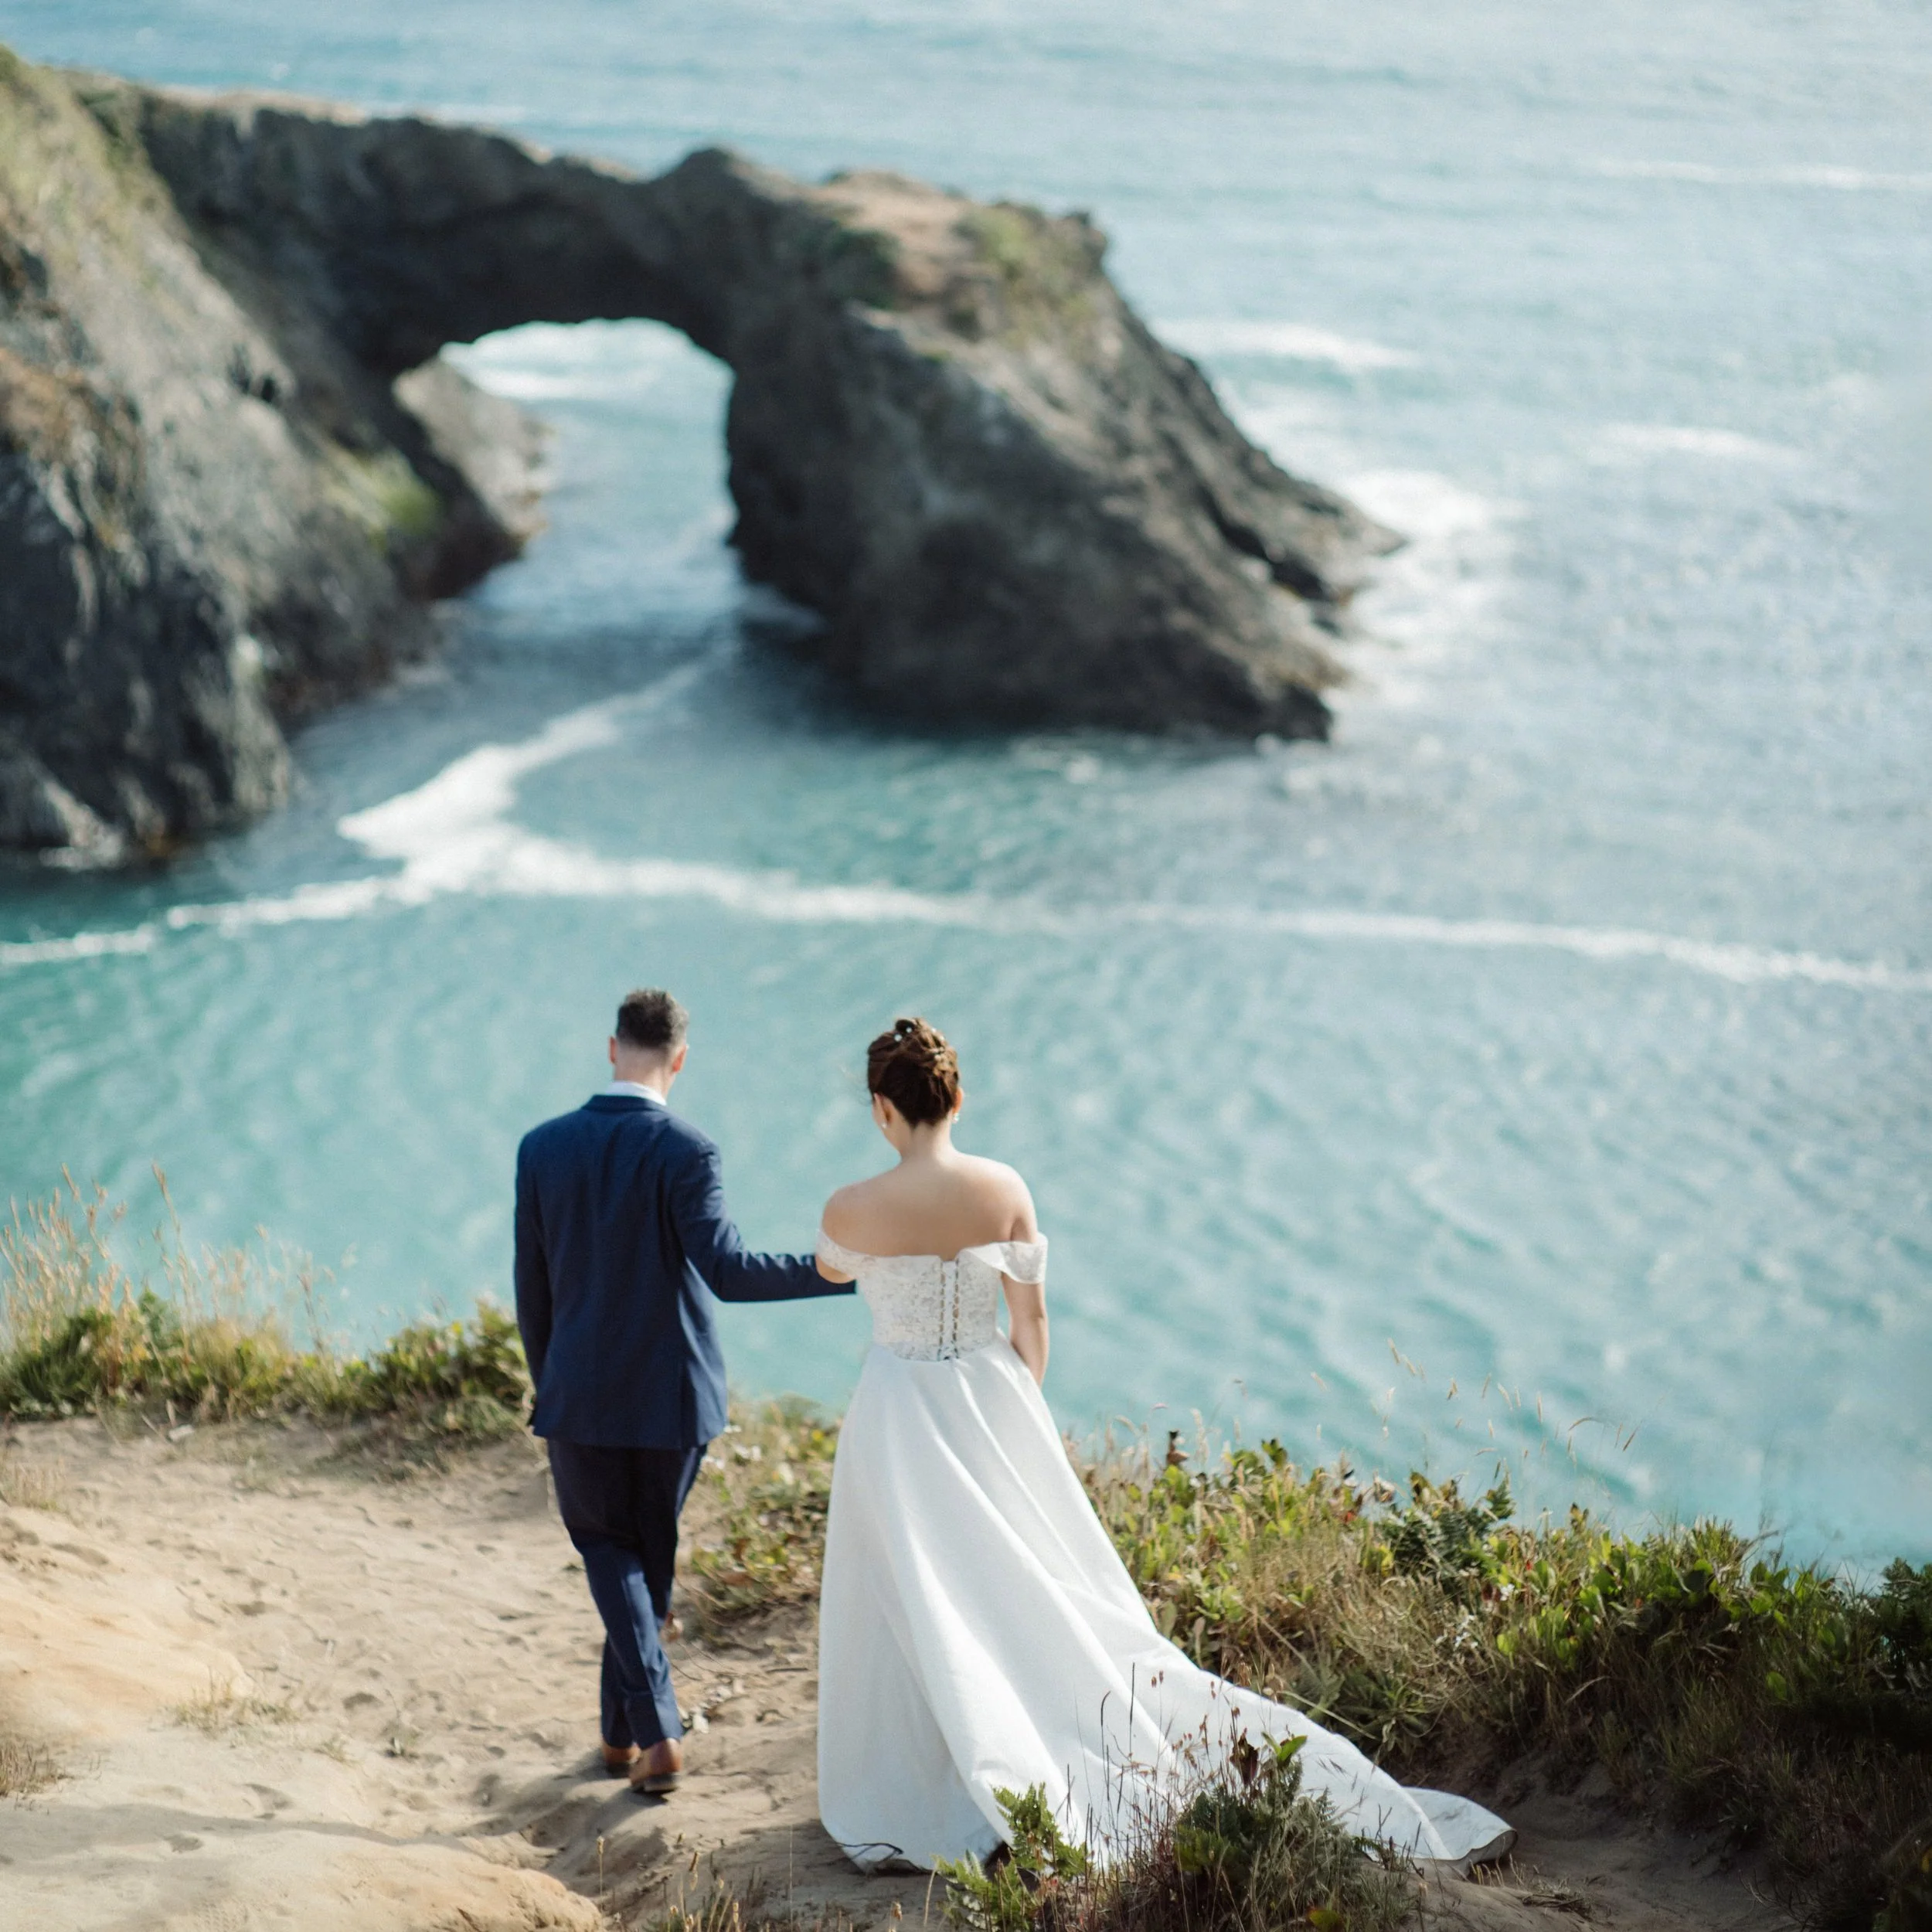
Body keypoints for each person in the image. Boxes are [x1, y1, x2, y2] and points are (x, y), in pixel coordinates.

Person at [812, 1017, 1513, 1872]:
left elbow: (835, 1269)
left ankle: (925, 1782)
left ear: (883, 1108)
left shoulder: (849, 1205)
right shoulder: (1004, 1188)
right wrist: (1009, 1417)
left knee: (910, 1589)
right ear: (957, 1096)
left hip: (899, 1418)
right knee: (1035, 1589)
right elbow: (1030, 1325)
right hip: (995, 1404)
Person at [514, 988, 852, 1795]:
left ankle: (640, 1733)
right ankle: (631, 1736)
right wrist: (838, 1272)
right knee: (645, 1563)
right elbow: (729, 1275)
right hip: (672, 1402)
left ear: (611, 1048)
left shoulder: (541, 1147)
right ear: (680, 1058)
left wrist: (549, 1381)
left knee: (610, 1554)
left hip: (581, 1398)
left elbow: (533, 1287)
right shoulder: (688, 1150)